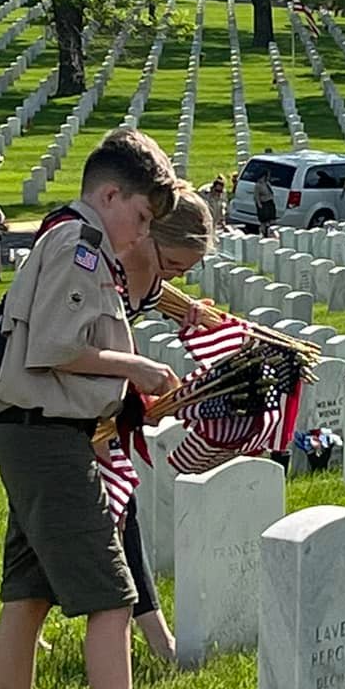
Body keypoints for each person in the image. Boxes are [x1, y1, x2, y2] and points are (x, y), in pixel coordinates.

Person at [0, 129, 179, 689]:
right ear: (109, 194)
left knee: (30, 597)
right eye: (142, 217)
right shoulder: (80, 242)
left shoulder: (82, 244)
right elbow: (57, 348)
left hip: (35, 431)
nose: (140, 233)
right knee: (112, 597)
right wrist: (139, 367)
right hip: (44, 436)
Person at [115, 185, 216, 664]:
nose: (173, 277)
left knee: (43, 535)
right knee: (113, 516)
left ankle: (18, 637)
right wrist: (138, 376)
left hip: (87, 416)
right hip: (51, 413)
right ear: (145, 236)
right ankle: (161, 642)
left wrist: (191, 312)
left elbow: (155, 292)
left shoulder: (141, 271)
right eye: (173, 264)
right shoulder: (100, 272)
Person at [253, 167, 278, 234]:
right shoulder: (258, 185)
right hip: (264, 204)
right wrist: (259, 205)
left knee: (272, 220)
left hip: (270, 203)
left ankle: (270, 232)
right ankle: (263, 232)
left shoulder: (267, 183)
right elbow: (256, 196)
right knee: (264, 221)